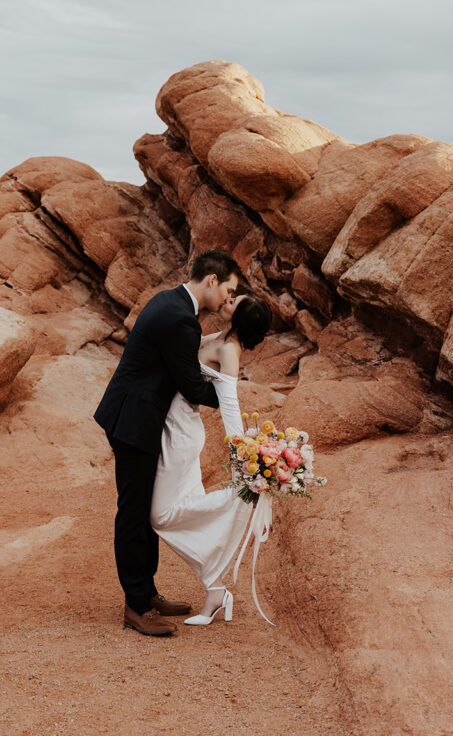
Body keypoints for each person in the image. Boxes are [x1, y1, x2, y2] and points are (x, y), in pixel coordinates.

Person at [93, 249, 240, 637]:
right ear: (212, 280)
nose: (227, 298)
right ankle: (136, 606)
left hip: (139, 416)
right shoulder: (179, 319)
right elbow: (190, 384)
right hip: (134, 422)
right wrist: (231, 393)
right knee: (133, 513)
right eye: (228, 289)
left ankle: (149, 592)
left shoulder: (172, 302)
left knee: (144, 509)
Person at [150, 293, 272, 626]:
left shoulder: (229, 351)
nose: (228, 299)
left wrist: (244, 457)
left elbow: (229, 405)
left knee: (160, 516)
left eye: (236, 301)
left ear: (240, 317)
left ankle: (216, 581)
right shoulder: (215, 338)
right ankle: (215, 590)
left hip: (182, 431)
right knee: (177, 504)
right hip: (168, 422)